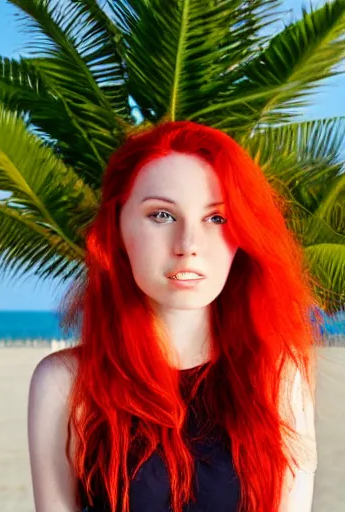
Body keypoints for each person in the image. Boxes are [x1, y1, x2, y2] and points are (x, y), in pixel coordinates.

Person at [27, 121, 321, 512]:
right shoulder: (65, 383)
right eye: (162, 216)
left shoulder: (278, 376)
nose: (188, 245)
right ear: (118, 228)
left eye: (218, 218)